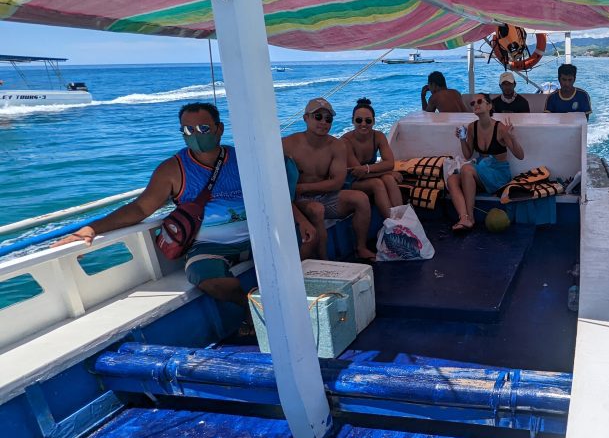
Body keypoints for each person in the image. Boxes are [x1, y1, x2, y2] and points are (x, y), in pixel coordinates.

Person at [51, 103, 262, 307]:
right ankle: (253, 314)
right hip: (209, 246)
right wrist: (93, 228)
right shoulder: (172, 169)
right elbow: (140, 208)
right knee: (207, 276)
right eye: (188, 130)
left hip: (257, 237)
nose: (195, 134)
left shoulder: (242, 158)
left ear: (219, 129)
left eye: (203, 128)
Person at [283, 97, 375, 262]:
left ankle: (360, 247)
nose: (323, 122)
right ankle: (325, 262)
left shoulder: (337, 145)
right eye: (318, 117)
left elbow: (337, 183)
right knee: (317, 209)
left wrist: (303, 187)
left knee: (360, 198)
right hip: (299, 201)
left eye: (328, 119)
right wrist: (299, 192)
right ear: (306, 118)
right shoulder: (288, 145)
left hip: (321, 195)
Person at [447, 93, 524, 232]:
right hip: (481, 172)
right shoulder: (472, 128)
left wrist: (512, 137)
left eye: (479, 101)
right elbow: (468, 154)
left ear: (489, 105)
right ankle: (463, 216)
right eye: (472, 103)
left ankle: (470, 218)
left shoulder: (500, 128)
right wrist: (462, 139)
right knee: (452, 179)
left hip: (498, 175)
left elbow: (520, 155)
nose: (475, 104)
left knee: (467, 169)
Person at [341, 97, 404, 218]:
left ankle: (400, 218)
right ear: (353, 121)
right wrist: (388, 171)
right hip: (350, 181)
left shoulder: (378, 136)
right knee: (377, 183)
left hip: (368, 174)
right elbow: (358, 173)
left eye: (368, 121)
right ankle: (392, 223)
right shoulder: (346, 142)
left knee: (389, 179)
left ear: (374, 121)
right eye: (359, 120)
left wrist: (381, 170)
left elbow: (390, 163)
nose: (363, 124)